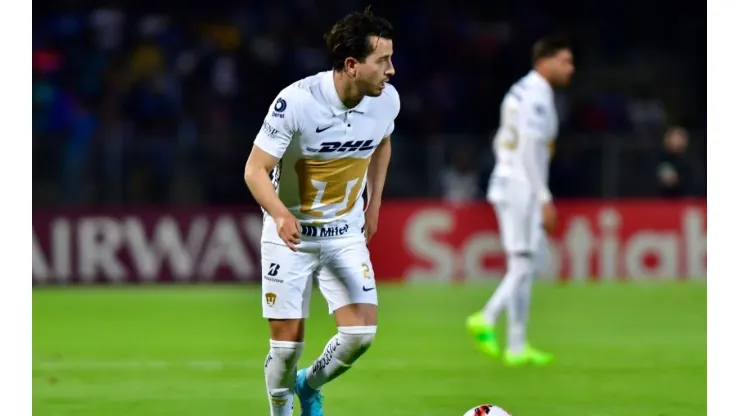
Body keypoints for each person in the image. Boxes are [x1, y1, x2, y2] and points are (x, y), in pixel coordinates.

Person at [243, 8, 399, 416]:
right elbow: (255, 171)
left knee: (361, 335)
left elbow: (382, 143)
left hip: (344, 232)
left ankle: (308, 385)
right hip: (291, 238)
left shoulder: (386, 102)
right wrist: (279, 213)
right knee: (286, 346)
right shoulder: (296, 102)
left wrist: (374, 201)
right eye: (382, 61)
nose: (392, 71)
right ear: (352, 65)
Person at [466, 36, 575, 367]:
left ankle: (516, 346)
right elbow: (529, 147)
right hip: (522, 186)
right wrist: (543, 196)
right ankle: (486, 317)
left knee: (525, 264)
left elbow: (504, 141)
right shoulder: (537, 96)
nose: (571, 69)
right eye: (565, 61)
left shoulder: (521, 91)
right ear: (545, 61)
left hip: (512, 181)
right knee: (527, 263)